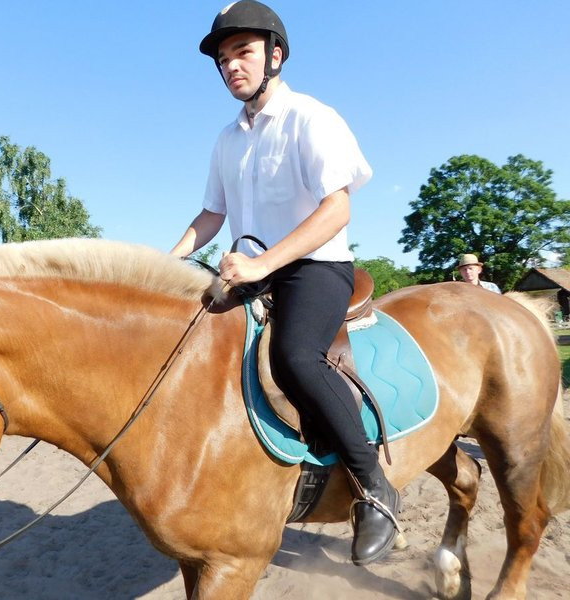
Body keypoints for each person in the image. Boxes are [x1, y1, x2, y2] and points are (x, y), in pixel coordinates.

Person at [170, 0, 399, 566]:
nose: (231, 67)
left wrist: (264, 262)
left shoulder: (311, 118)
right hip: (251, 268)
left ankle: (375, 488)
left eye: (242, 52)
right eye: (223, 59)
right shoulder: (227, 138)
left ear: (274, 54)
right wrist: (168, 262)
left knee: (296, 356)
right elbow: (211, 215)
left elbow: (336, 209)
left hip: (314, 266)